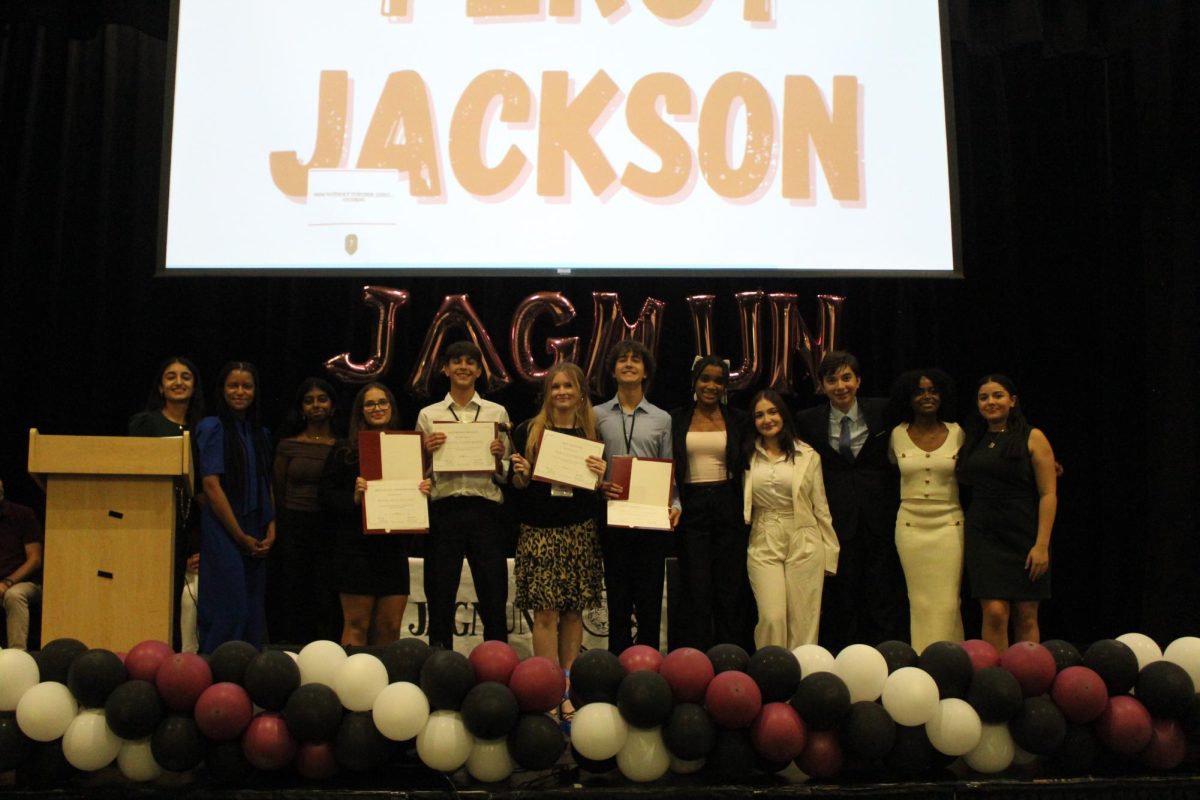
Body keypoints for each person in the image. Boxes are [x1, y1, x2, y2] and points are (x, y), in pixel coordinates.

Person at [796, 350, 904, 651]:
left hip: (879, 515)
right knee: (842, 596)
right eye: (832, 380)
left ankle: (887, 657)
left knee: (881, 594)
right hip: (835, 519)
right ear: (822, 385)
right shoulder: (808, 421)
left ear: (858, 381)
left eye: (846, 378)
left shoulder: (883, 411)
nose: (840, 386)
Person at [508, 363, 606, 677]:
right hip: (539, 532)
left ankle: (567, 685)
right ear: (547, 394)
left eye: (568, 386)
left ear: (580, 394)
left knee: (574, 613)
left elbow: (594, 493)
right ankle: (546, 683)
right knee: (546, 614)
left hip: (579, 532)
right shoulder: (527, 431)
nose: (561, 392)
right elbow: (518, 488)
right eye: (555, 387)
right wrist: (521, 475)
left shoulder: (592, 433)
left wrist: (600, 478)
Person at [417, 341, 511, 651]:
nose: (463, 367)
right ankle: (439, 664)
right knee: (440, 593)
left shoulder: (496, 412)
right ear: (444, 369)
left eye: (470, 362)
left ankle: (496, 664)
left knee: (494, 593)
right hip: (445, 510)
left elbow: (507, 472)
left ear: (479, 370)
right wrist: (426, 455)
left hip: (486, 511)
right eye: (456, 361)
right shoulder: (429, 415)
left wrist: (499, 458)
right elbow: (417, 473)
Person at [320, 382, 430, 647]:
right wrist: (354, 497)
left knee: (390, 628)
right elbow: (324, 497)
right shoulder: (344, 450)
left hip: (393, 550)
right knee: (357, 626)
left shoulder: (407, 448)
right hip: (355, 551)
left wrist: (422, 491)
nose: (377, 408)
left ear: (391, 407)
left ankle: (385, 686)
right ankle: (354, 686)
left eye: (383, 402)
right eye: (370, 403)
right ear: (360, 410)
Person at [957, 374, 1057, 651]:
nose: (991, 402)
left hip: (1025, 534)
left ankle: (1027, 681)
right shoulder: (972, 439)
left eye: (997, 395)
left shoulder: (1033, 436)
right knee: (995, 613)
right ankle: (998, 682)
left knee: (1026, 615)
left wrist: (1041, 545)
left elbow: (1048, 494)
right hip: (984, 536)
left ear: (1012, 401)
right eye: (984, 397)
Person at [595, 339, 680, 654]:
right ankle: (616, 666)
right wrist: (599, 484)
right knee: (617, 598)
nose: (628, 364)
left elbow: (670, 468)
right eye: (622, 360)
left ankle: (649, 666)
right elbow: (589, 464)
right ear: (613, 371)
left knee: (649, 598)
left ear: (645, 372)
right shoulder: (596, 415)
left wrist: (675, 505)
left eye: (635, 360)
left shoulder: (662, 418)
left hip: (650, 519)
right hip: (612, 516)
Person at [669, 355, 754, 651]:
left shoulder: (739, 419)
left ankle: (731, 655)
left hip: (727, 504)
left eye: (719, 380)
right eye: (705, 378)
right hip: (691, 507)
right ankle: (698, 659)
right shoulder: (676, 418)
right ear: (694, 381)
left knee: (730, 589)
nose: (711, 385)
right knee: (697, 588)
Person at [743, 390, 839, 649]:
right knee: (772, 617)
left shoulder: (808, 454)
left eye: (772, 412)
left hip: (804, 537)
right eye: (759, 415)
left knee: (804, 620)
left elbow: (821, 507)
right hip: (764, 535)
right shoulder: (746, 456)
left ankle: (804, 679)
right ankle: (772, 676)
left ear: (783, 414)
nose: (767, 419)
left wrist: (831, 553)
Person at [195, 361, 275, 653]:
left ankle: (246, 679)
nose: (240, 391)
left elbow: (266, 483)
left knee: (253, 610)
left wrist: (271, 526)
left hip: (256, 525)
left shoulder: (260, 433)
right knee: (230, 608)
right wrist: (239, 535)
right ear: (222, 390)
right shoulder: (211, 427)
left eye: (247, 386)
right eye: (233, 385)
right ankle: (214, 675)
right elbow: (211, 486)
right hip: (224, 527)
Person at [128, 356, 204, 652]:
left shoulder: (203, 427)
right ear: (160, 387)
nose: (178, 382)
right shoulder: (146, 423)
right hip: (151, 520)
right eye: (170, 377)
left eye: (186, 376)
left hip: (190, 522)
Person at [887, 369, 965, 652]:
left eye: (932, 390)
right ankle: (926, 662)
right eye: (919, 392)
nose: (927, 396)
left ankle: (952, 661)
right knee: (919, 601)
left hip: (949, 525)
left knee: (948, 601)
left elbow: (988, 465)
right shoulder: (896, 434)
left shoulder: (958, 433)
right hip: (910, 527)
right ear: (909, 399)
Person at [271, 377, 342, 645]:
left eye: (322, 399)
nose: (316, 405)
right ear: (301, 408)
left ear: (332, 406)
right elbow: (277, 490)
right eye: (309, 401)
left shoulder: (342, 444)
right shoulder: (287, 445)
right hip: (293, 527)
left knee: (326, 595)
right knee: (294, 592)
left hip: (329, 528)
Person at [0, 480, 43, 651]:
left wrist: (7, 582)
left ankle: (17, 655)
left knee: (14, 595)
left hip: (23, 582)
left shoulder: (21, 514)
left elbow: (35, 559)